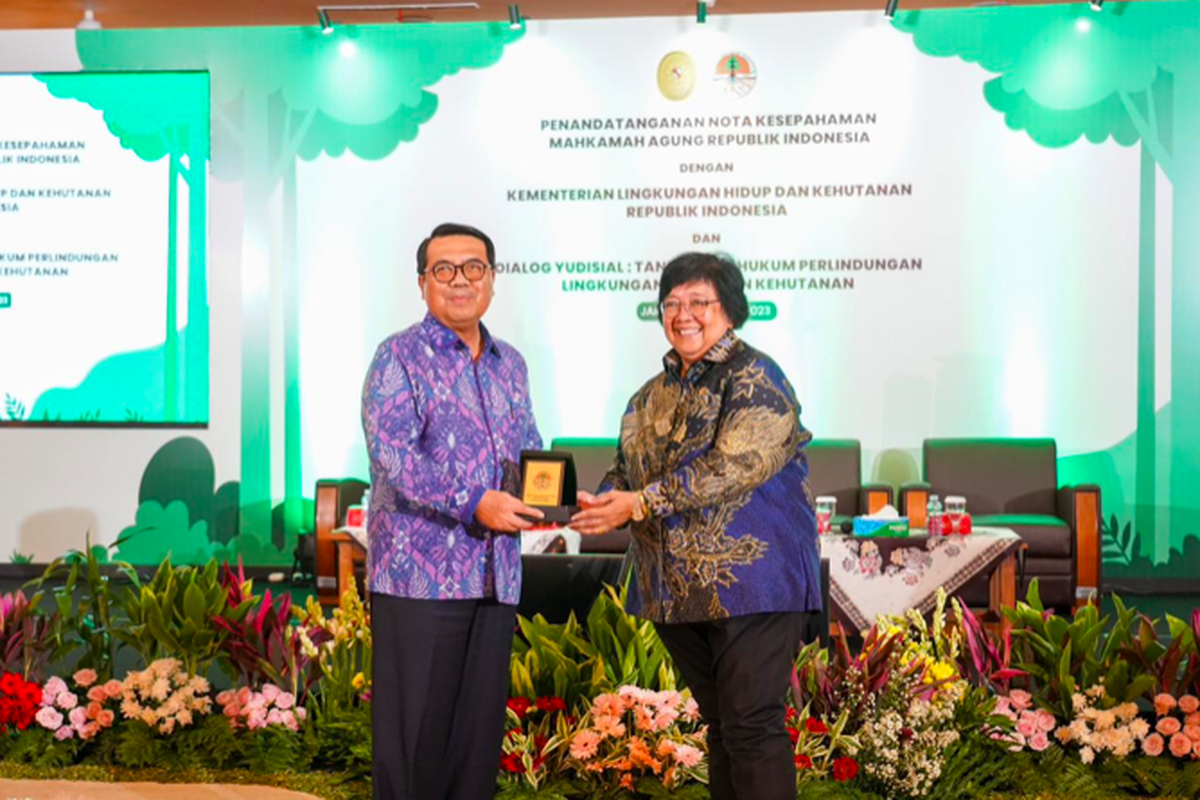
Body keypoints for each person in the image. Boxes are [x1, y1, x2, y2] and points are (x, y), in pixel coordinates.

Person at [570, 252, 820, 800]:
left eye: (699, 302)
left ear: (729, 310)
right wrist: (596, 502)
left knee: (752, 726)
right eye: (672, 303)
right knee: (725, 727)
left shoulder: (757, 377)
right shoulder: (647, 397)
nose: (684, 314)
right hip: (676, 594)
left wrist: (635, 504)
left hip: (753, 583)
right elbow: (628, 471)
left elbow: (730, 469)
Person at [362, 222, 544, 800]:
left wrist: (555, 494)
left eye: (473, 268)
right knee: (416, 743)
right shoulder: (398, 356)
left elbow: (529, 448)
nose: (459, 281)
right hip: (420, 579)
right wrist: (474, 503)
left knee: (474, 745)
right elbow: (393, 455)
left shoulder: (509, 362)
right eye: (444, 270)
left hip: (494, 577)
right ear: (422, 283)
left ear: (492, 280)